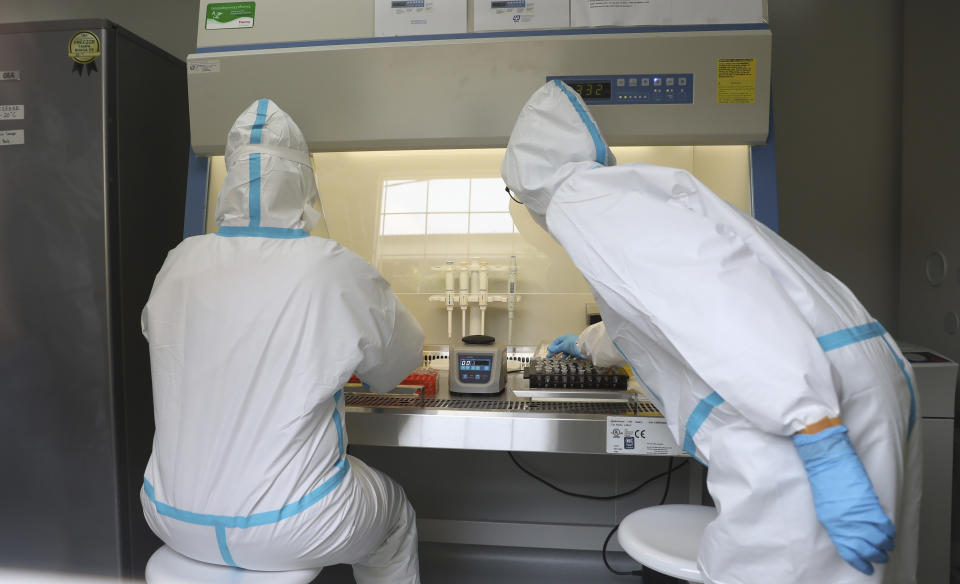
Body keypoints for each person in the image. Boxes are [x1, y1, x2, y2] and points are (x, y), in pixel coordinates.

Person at [502, 81, 920, 584]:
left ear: (524, 180)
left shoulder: (583, 202)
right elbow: (665, 311)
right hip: (845, 379)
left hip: (807, 406)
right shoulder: (624, 196)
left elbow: (721, 300)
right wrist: (591, 346)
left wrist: (814, 430)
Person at [140, 99, 424, 583]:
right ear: (303, 183)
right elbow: (398, 365)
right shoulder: (332, 267)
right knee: (395, 519)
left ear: (230, 181)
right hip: (294, 524)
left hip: (169, 514)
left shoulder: (179, 261)